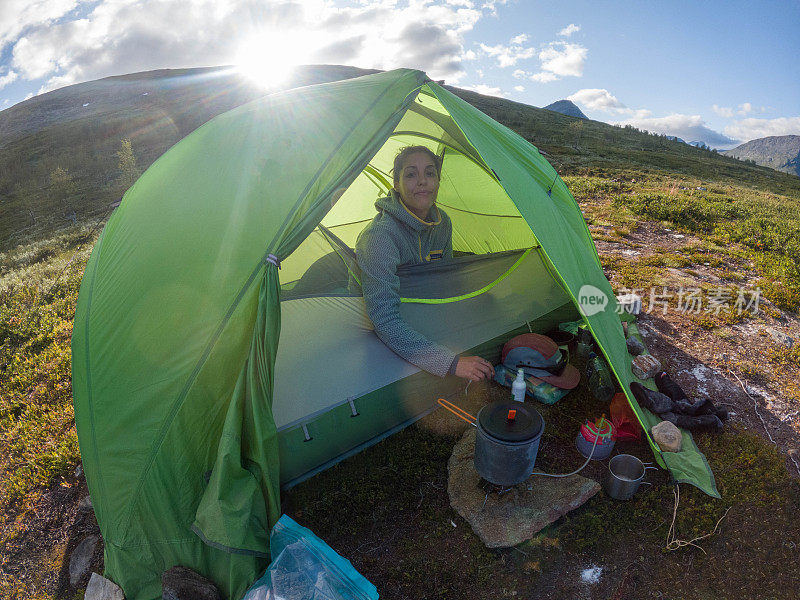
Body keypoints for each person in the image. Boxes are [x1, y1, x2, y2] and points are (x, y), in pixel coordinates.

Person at [355, 145, 494, 382]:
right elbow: (383, 318)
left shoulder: (442, 224)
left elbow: (446, 281)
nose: (422, 182)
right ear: (396, 185)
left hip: (420, 310)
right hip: (373, 322)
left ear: (438, 181)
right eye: (411, 174)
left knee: (489, 302)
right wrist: (451, 362)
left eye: (430, 173)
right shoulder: (380, 237)